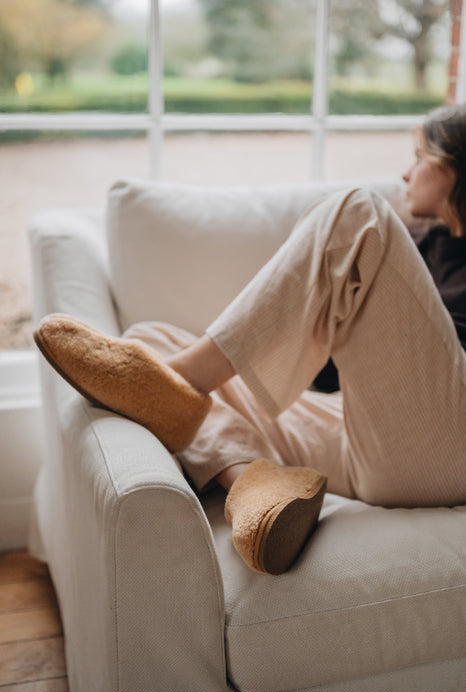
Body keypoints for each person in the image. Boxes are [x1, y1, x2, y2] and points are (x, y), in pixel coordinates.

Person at [34, 104, 466, 575]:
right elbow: (331, 364)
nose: (405, 173)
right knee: (149, 336)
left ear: (455, 168)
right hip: (365, 438)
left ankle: (177, 379)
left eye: (419, 157)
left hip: (450, 442)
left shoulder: (386, 239)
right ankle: (254, 483)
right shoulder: (421, 246)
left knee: (358, 212)